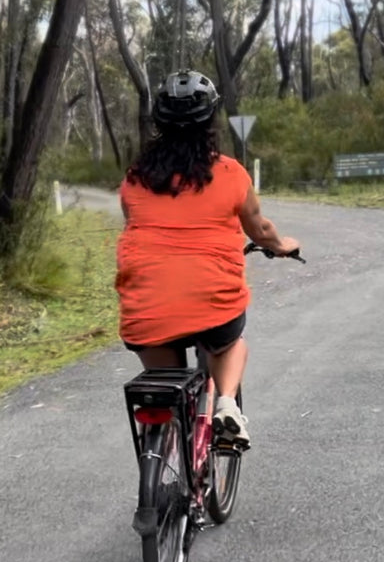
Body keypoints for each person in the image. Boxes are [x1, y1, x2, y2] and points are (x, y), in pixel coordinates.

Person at [115, 70, 300, 447]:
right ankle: (227, 407)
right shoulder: (231, 173)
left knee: (167, 385)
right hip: (213, 303)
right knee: (233, 345)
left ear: (159, 123)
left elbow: (137, 225)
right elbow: (260, 231)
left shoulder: (135, 178)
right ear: (210, 120)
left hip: (146, 308)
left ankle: (163, 442)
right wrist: (284, 246)